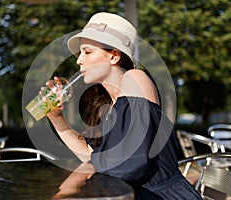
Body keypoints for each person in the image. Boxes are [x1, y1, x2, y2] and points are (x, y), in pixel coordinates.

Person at [43, 12, 202, 199]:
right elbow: (90, 155)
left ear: (114, 56)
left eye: (87, 52)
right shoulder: (109, 104)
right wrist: (56, 118)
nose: (79, 60)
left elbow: (128, 164)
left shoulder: (135, 78)